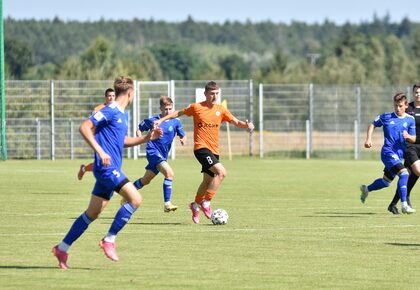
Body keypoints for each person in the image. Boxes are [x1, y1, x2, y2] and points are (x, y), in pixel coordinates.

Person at [52, 76, 162, 269]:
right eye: (134, 92)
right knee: (135, 199)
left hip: (111, 169)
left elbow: (122, 141)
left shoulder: (122, 114)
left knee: (92, 213)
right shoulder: (110, 111)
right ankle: (109, 240)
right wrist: (100, 151)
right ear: (130, 93)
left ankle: (62, 248)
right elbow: (84, 127)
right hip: (106, 169)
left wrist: (146, 138)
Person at [153, 81, 254, 224]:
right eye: (212, 93)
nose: (214, 96)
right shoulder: (197, 107)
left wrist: (247, 125)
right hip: (201, 148)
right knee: (222, 173)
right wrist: (161, 120)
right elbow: (177, 113)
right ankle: (206, 203)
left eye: (217, 93)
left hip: (214, 150)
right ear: (205, 94)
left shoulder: (221, 110)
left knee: (207, 181)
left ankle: (195, 205)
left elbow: (236, 122)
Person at [122, 96, 186, 212]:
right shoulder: (153, 120)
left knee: (145, 180)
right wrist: (140, 138)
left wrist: (183, 138)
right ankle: (167, 204)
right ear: (161, 108)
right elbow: (139, 128)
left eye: (170, 108)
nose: (168, 111)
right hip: (153, 152)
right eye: (165, 109)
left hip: (163, 155)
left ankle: (127, 195)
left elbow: (182, 134)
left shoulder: (176, 121)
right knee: (169, 173)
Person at [360, 92, 416, 214]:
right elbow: (373, 124)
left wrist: (408, 136)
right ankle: (404, 205)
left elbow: (414, 138)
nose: (397, 108)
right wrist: (368, 139)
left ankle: (366, 189)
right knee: (404, 173)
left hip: (399, 155)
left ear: (406, 105)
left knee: (386, 182)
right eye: (395, 105)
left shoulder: (410, 120)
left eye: (400, 106)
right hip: (387, 152)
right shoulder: (386, 117)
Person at [388, 84, 420, 214]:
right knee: (417, 171)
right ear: (413, 94)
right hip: (411, 146)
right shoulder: (408, 108)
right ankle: (405, 198)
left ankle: (394, 204)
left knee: (407, 175)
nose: (418, 94)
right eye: (416, 92)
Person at [78, 88, 116, 180]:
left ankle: (84, 168)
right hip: (100, 139)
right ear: (105, 97)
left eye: (113, 96)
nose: (111, 98)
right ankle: (112, 185)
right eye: (109, 96)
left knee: (107, 162)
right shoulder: (98, 109)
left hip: (111, 139)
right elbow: (91, 124)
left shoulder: (116, 109)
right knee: (105, 162)